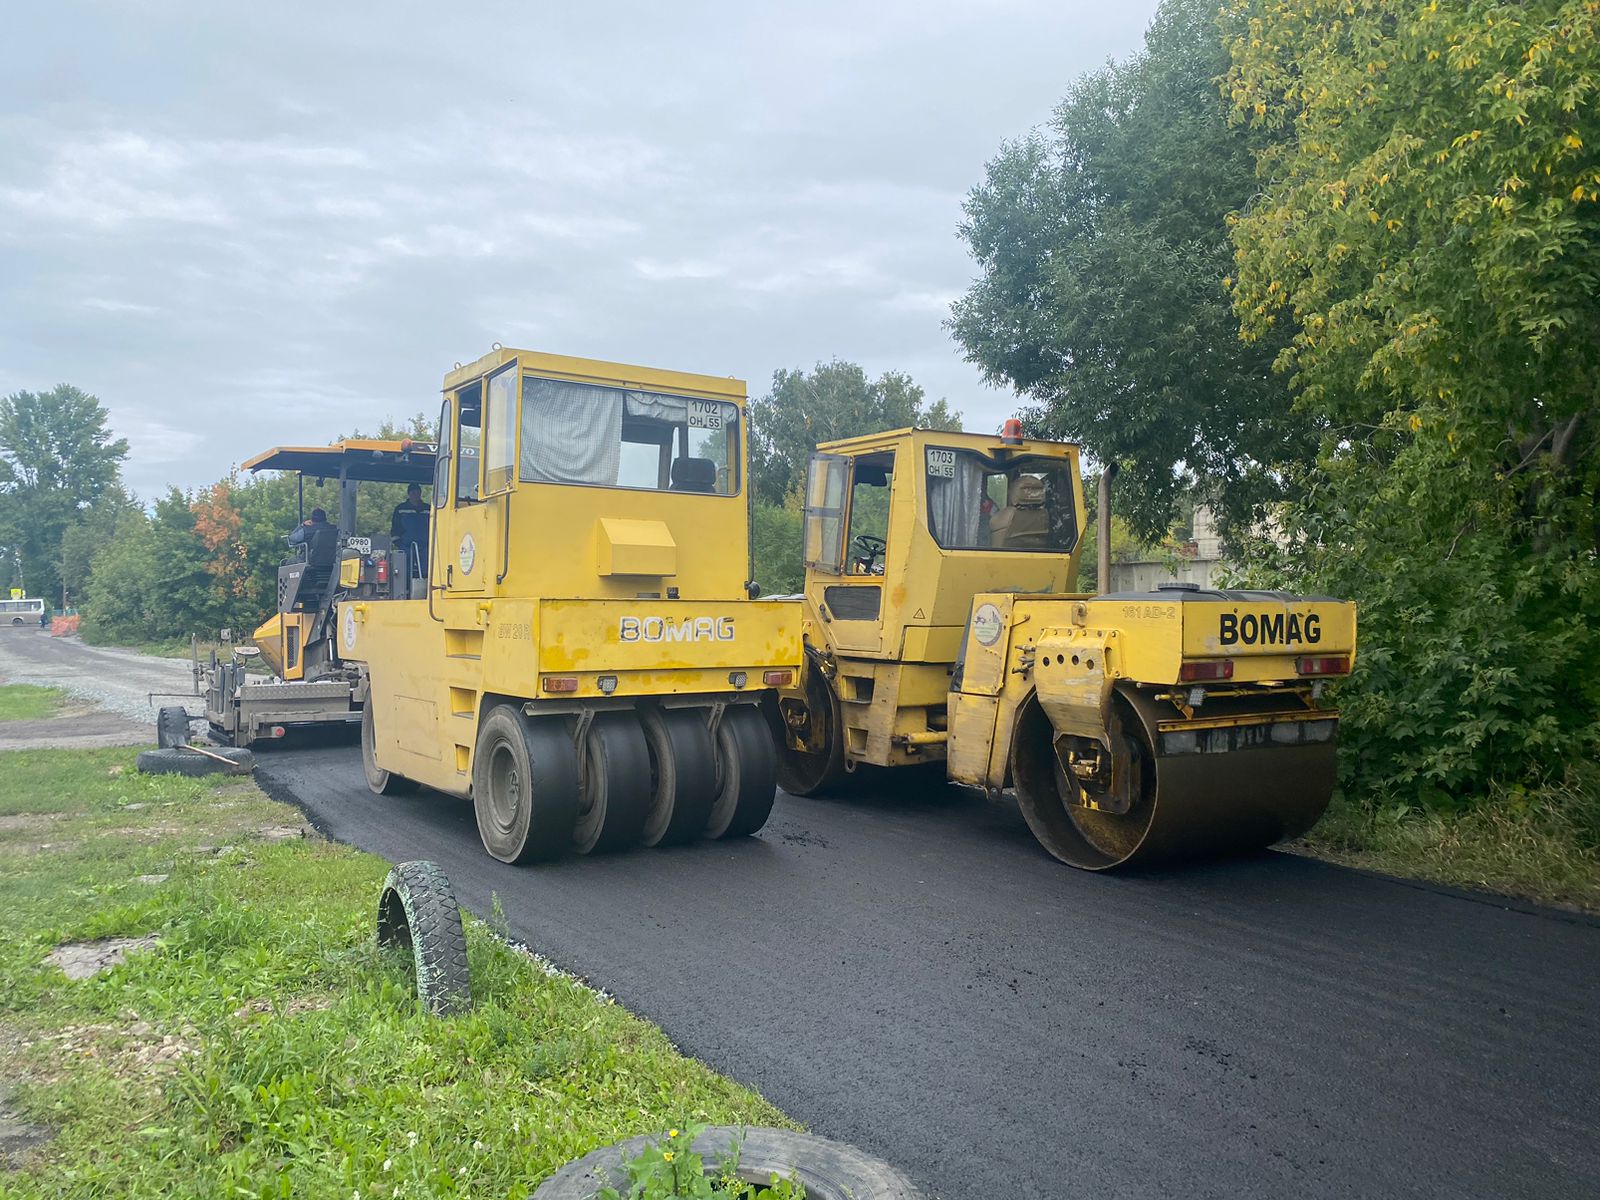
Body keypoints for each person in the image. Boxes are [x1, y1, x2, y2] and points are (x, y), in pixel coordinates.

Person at [390, 483, 430, 576]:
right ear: (409, 494)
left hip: (425, 546)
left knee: (426, 570)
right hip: (406, 546)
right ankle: (406, 589)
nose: (415, 495)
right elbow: (395, 527)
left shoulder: (428, 509)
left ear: (420, 493)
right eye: (413, 492)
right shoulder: (400, 509)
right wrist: (398, 542)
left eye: (417, 492)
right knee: (405, 571)